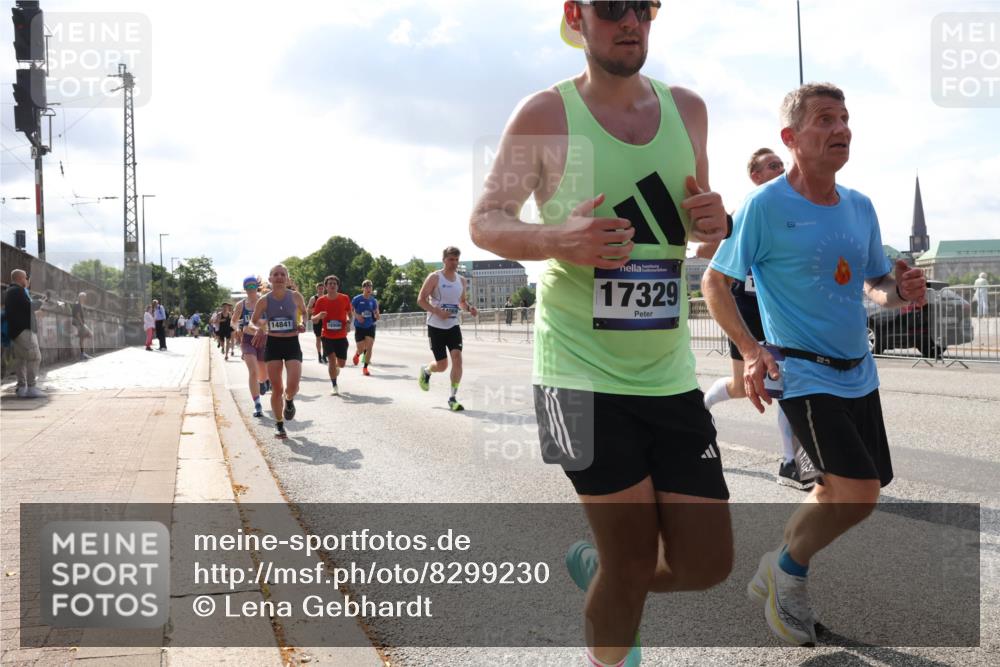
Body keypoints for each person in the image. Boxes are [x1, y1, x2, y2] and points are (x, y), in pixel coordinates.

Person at [470, 3, 733, 663]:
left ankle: (607, 573)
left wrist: (714, 222)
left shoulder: (689, 111)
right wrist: (557, 238)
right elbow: (486, 220)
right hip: (572, 376)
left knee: (708, 562)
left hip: (668, 373)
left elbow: (700, 227)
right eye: (612, 7)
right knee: (633, 555)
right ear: (575, 15)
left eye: (643, 7)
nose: (630, 21)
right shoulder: (544, 116)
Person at [703, 82, 927, 647]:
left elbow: (875, 284)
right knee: (858, 493)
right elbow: (715, 281)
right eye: (825, 119)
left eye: (845, 118)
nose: (841, 129)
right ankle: (789, 577)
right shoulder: (764, 205)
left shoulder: (860, 205)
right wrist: (753, 350)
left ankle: (775, 567)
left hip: (859, 369)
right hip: (800, 371)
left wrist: (899, 292)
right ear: (791, 137)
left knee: (840, 492)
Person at [699, 148, 815, 491]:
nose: (780, 168)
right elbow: (705, 252)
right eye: (772, 166)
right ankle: (701, 407)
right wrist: (728, 240)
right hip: (746, 312)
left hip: (779, 312)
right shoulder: (748, 210)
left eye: (781, 163)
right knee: (740, 387)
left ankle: (791, 463)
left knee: (785, 385)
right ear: (756, 176)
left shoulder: (795, 207)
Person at [417, 247, 478, 411]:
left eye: (457, 260)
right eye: (451, 259)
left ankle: (452, 397)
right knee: (442, 365)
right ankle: (427, 370)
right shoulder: (435, 277)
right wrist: (437, 311)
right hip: (435, 325)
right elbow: (421, 300)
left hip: (452, 325)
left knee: (457, 358)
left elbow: (462, 302)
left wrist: (469, 308)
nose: (454, 263)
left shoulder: (462, 280)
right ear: (444, 259)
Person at [251, 264, 307, 439]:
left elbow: (304, 313)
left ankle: (289, 400)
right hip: (273, 344)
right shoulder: (264, 300)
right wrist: (262, 327)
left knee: (293, 385)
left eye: (283, 274)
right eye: (276, 274)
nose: (279, 277)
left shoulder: (295, 297)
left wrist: (302, 323)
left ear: (287, 278)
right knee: (276, 387)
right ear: (270, 279)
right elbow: (254, 320)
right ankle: (279, 424)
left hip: (292, 343)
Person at [5, 270, 45, 398]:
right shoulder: (18, 291)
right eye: (26, 278)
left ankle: (22, 388)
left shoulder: (9, 292)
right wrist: (40, 302)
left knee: (21, 360)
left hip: (15, 331)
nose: (27, 280)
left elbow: (22, 307)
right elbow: (29, 307)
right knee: (34, 357)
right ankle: (32, 388)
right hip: (24, 330)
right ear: (21, 278)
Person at [233, 276, 268, 417]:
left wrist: (263, 323)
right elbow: (233, 321)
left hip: (263, 339)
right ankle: (257, 404)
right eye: (248, 287)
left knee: (263, 372)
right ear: (245, 288)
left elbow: (273, 316)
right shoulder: (241, 305)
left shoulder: (265, 301)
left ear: (257, 287)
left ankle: (264, 381)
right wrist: (238, 328)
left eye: (253, 286)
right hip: (247, 340)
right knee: (252, 371)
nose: (250, 289)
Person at [311, 275, 353, 395]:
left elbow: (350, 313)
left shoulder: (344, 298)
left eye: (335, 283)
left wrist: (349, 322)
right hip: (327, 336)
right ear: (326, 286)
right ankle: (334, 385)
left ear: (337, 286)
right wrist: (319, 316)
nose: (332, 285)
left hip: (341, 336)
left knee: (342, 364)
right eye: (330, 283)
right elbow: (313, 319)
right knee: (331, 360)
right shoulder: (321, 300)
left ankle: (336, 367)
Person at [351, 279, 380, 376]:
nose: (368, 288)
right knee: (361, 348)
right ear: (363, 288)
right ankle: (357, 354)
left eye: (370, 286)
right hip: (359, 326)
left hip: (370, 326)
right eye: (366, 287)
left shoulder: (373, 300)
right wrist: (357, 316)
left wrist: (377, 315)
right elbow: (350, 310)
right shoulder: (357, 299)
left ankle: (365, 368)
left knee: (369, 347)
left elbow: (376, 312)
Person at [306, 282, 326, 364]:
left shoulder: (326, 297)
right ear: (317, 289)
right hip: (317, 319)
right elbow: (308, 309)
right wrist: (316, 312)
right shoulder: (313, 298)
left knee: (325, 338)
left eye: (322, 288)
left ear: (324, 289)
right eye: (319, 288)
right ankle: (319, 355)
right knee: (318, 338)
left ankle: (325, 355)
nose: (321, 290)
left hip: (325, 320)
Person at [71, 292, 93, 360]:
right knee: (88, 335)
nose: (85, 299)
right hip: (79, 324)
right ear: (80, 297)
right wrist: (82, 324)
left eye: (85, 297)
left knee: (82, 338)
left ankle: (82, 353)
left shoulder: (79, 304)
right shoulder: (77, 304)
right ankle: (82, 354)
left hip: (79, 324)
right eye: (84, 297)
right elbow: (77, 315)